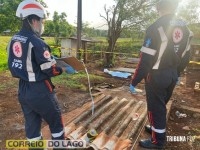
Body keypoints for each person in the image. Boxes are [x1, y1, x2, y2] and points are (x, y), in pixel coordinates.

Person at [7, 0, 75, 149]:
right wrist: (62, 69)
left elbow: (15, 63)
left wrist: (49, 58)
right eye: (41, 20)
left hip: (23, 90)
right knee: (56, 123)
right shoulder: (37, 42)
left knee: (32, 127)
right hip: (40, 90)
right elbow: (50, 70)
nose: (42, 24)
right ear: (33, 20)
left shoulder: (13, 39)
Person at [129, 0, 193, 149]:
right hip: (172, 75)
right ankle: (156, 129)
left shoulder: (155, 27)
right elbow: (186, 57)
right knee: (160, 106)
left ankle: (158, 141)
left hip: (156, 76)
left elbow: (145, 60)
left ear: (158, 7)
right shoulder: (186, 29)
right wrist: (176, 73)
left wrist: (134, 81)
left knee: (155, 108)